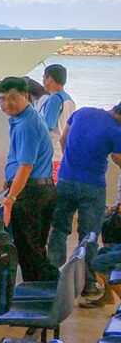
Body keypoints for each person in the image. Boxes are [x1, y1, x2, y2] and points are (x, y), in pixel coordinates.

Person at [51, 102, 121, 304]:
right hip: (93, 186)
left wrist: (71, 163)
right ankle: (88, 284)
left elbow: (63, 139)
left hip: (65, 180)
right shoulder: (115, 131)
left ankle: (52, 277)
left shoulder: (81, 112)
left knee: (59, 229)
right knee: (88, 236)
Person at [0, 76, 58, 282]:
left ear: (26, 96)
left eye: (13, 98)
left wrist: (11, 198)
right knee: (35, 248)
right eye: (2, 99)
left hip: (32, 194)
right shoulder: (27, 117)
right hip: (41, 190)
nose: (7, 104)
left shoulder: (26, 124)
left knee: (29, 252)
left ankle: (38, 297)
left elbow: (26, 166)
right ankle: (46, 290)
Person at [39, 64, 76, 179]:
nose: (43, 81)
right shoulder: (69, 100)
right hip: (62, 154)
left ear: (50, 79)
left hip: (51, 155)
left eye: (44, 77)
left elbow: (47, 127)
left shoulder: (55, 99)